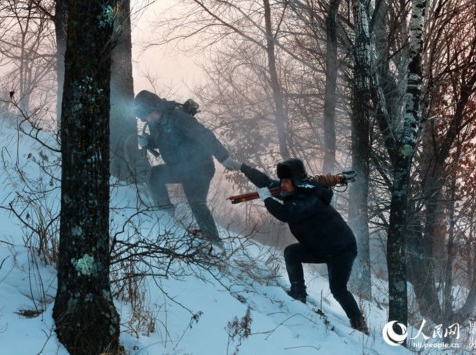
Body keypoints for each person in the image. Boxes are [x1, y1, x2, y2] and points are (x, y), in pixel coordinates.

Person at [239, 158, 368, 334]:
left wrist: (267, 199)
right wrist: (243, 167)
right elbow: (267, 183)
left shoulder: (309, 200)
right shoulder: (294, 192)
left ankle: (358, 323)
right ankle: (298, 292)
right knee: (292, 253)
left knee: (338, 289)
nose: (282, 185)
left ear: (296, 182)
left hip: (341, 250)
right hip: (320, 247)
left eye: (286, 181)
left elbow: (285, 214)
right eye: (282, 181)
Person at [133, 90, 242, 244]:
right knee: (155, 175)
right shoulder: (154, 122)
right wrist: (147, 141)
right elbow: (160, 141)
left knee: (196, 202)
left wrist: (223, 157)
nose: (148, 119)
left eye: (149, 114)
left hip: (199, 168)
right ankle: (167, 216)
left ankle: (214, 242)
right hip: (179, 168)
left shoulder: (178, 117)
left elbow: (204, 135)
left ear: (155, 108)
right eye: (145, 117)